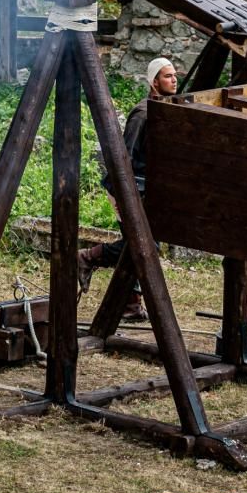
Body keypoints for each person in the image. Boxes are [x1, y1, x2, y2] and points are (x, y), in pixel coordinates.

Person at [76, 56, 179, 321]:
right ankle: (88, 257)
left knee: (138, 247)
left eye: (174, 75)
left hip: (149, 190)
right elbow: (125, 158)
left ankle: (131, 305)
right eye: (167, 76)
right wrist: (124, 197)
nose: (174, 80)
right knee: (145, 246)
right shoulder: (142, 114)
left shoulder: (168, 110)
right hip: (127, 189)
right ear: (154, 82)